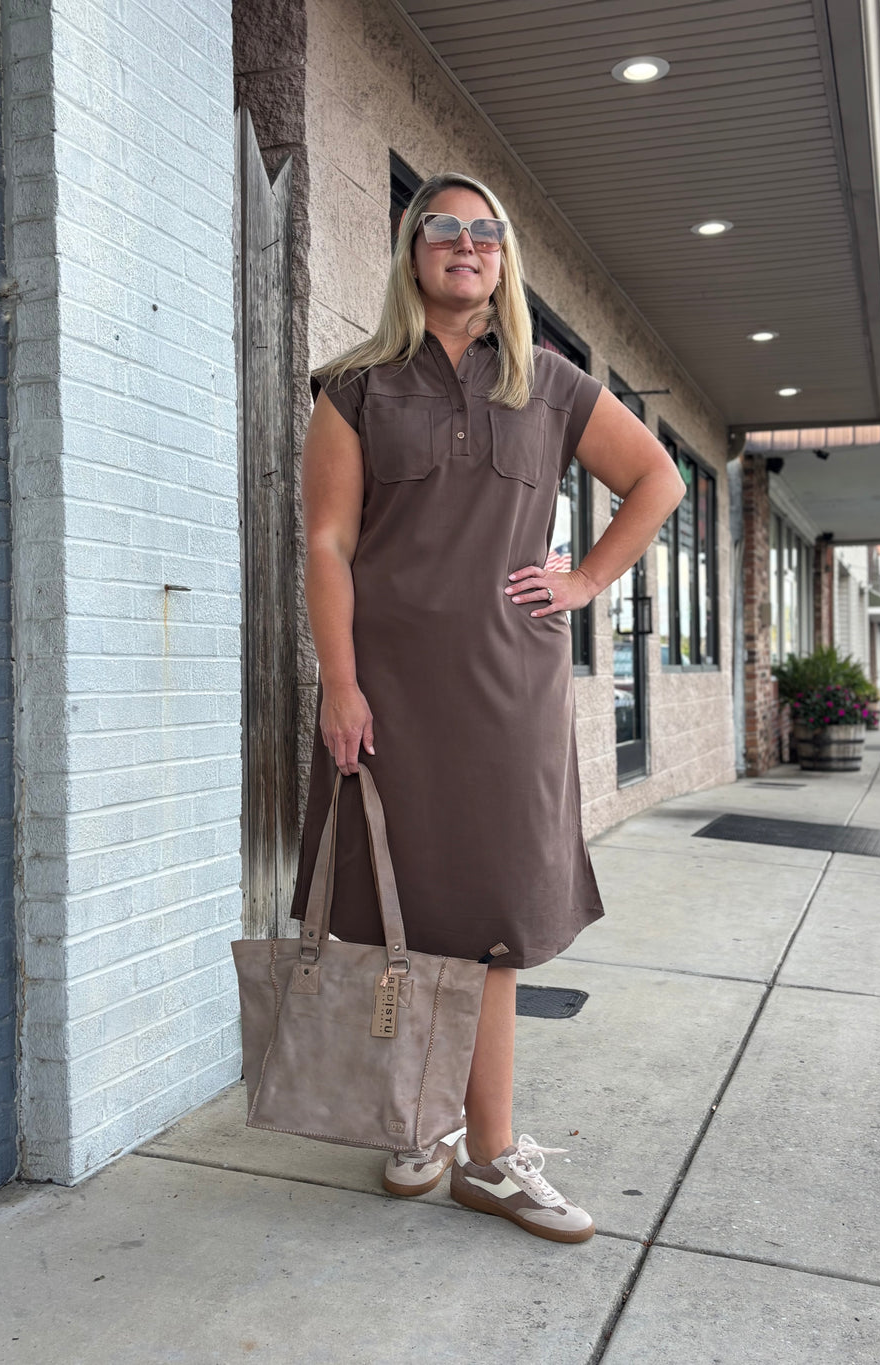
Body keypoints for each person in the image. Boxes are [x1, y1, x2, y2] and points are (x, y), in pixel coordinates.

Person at [294, 172, 685, 1244]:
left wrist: (586, 578)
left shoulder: (551, 386)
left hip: (508, 691)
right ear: (412, 253)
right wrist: (339, 680)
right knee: (400, 911)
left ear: (504, 261)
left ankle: (494, 1156)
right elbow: (326, 543)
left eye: (485, 234)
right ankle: (421, 1128)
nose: (465, 246)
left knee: (494, 922)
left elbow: (658, 479)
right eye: (442, 230)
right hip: (389, 691)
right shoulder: (355, 393)